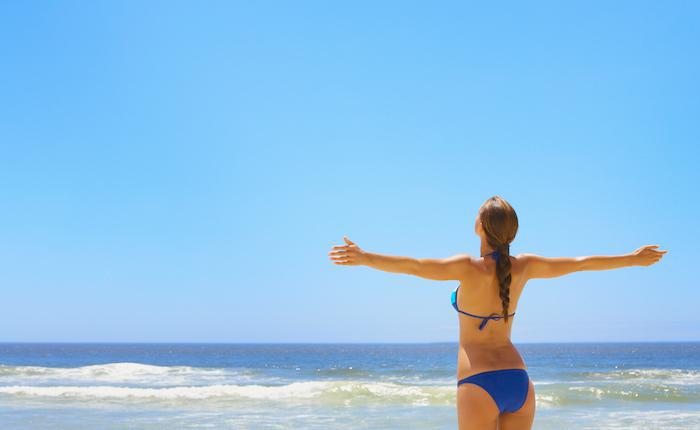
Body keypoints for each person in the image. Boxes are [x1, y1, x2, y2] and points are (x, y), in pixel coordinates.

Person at [327, 195, 667, 430]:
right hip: (519, 381)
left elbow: (413, 267)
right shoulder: (526, 266)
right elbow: (581, 264)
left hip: (478, 382)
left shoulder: (467, 267)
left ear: (481, 227)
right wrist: (632, 259)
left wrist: (364, 257)